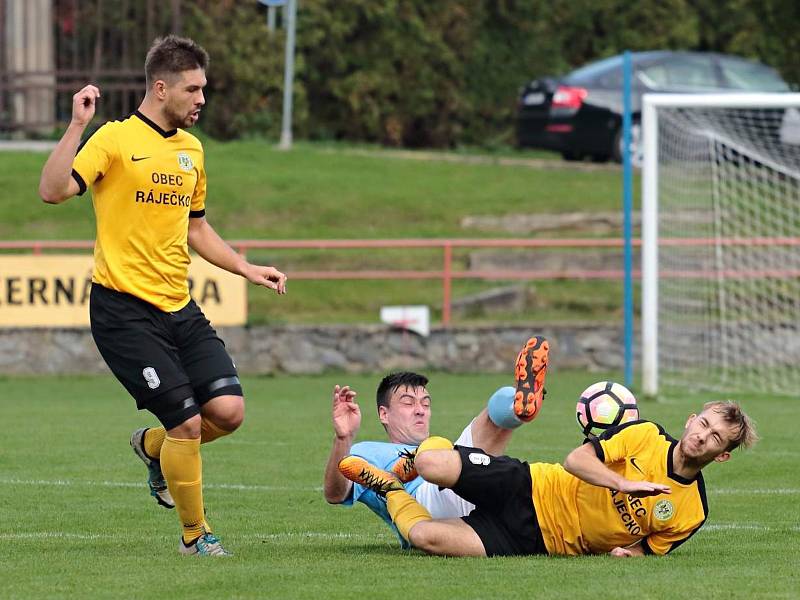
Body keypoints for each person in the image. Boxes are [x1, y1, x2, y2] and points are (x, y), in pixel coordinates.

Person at [38, 35, 287, 556]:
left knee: (228, 413)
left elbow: (196, 229)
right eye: (193, 89)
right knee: (188, 422)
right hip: (123, 310)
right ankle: (195, 537)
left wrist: (245, 267)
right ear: (160, 87)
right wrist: (78, 124)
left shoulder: (192, 150)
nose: (201, 99)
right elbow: (53, 190)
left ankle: (153, 449)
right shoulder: (114, 139)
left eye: (203, 89)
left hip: (179, 305)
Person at [340, 397, 758, 558]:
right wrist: (623, 484)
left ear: (721, 456)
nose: (701, 436)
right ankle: (415, 457)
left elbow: (648, 549)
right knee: (434, 467)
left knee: (424, 538)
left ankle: (390, 487)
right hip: (531, 485)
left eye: (714, 437)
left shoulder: (693, 512)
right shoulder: (644, 435)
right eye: (702, 423)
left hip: (537, 541)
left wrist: (628, 555)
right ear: (690, 420)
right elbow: (576, 459)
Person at [323, 336, 549, 546]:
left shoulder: (438, 447)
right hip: (423, 502)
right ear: (384, 414)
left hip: (471, 509)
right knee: (487, 420)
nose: (420, 410)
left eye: (426, 403)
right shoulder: (368, 451)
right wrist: (343, 438)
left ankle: (520, 404)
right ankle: (516, 406)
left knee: (459, 459)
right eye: (408, 403)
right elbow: (335, 494)